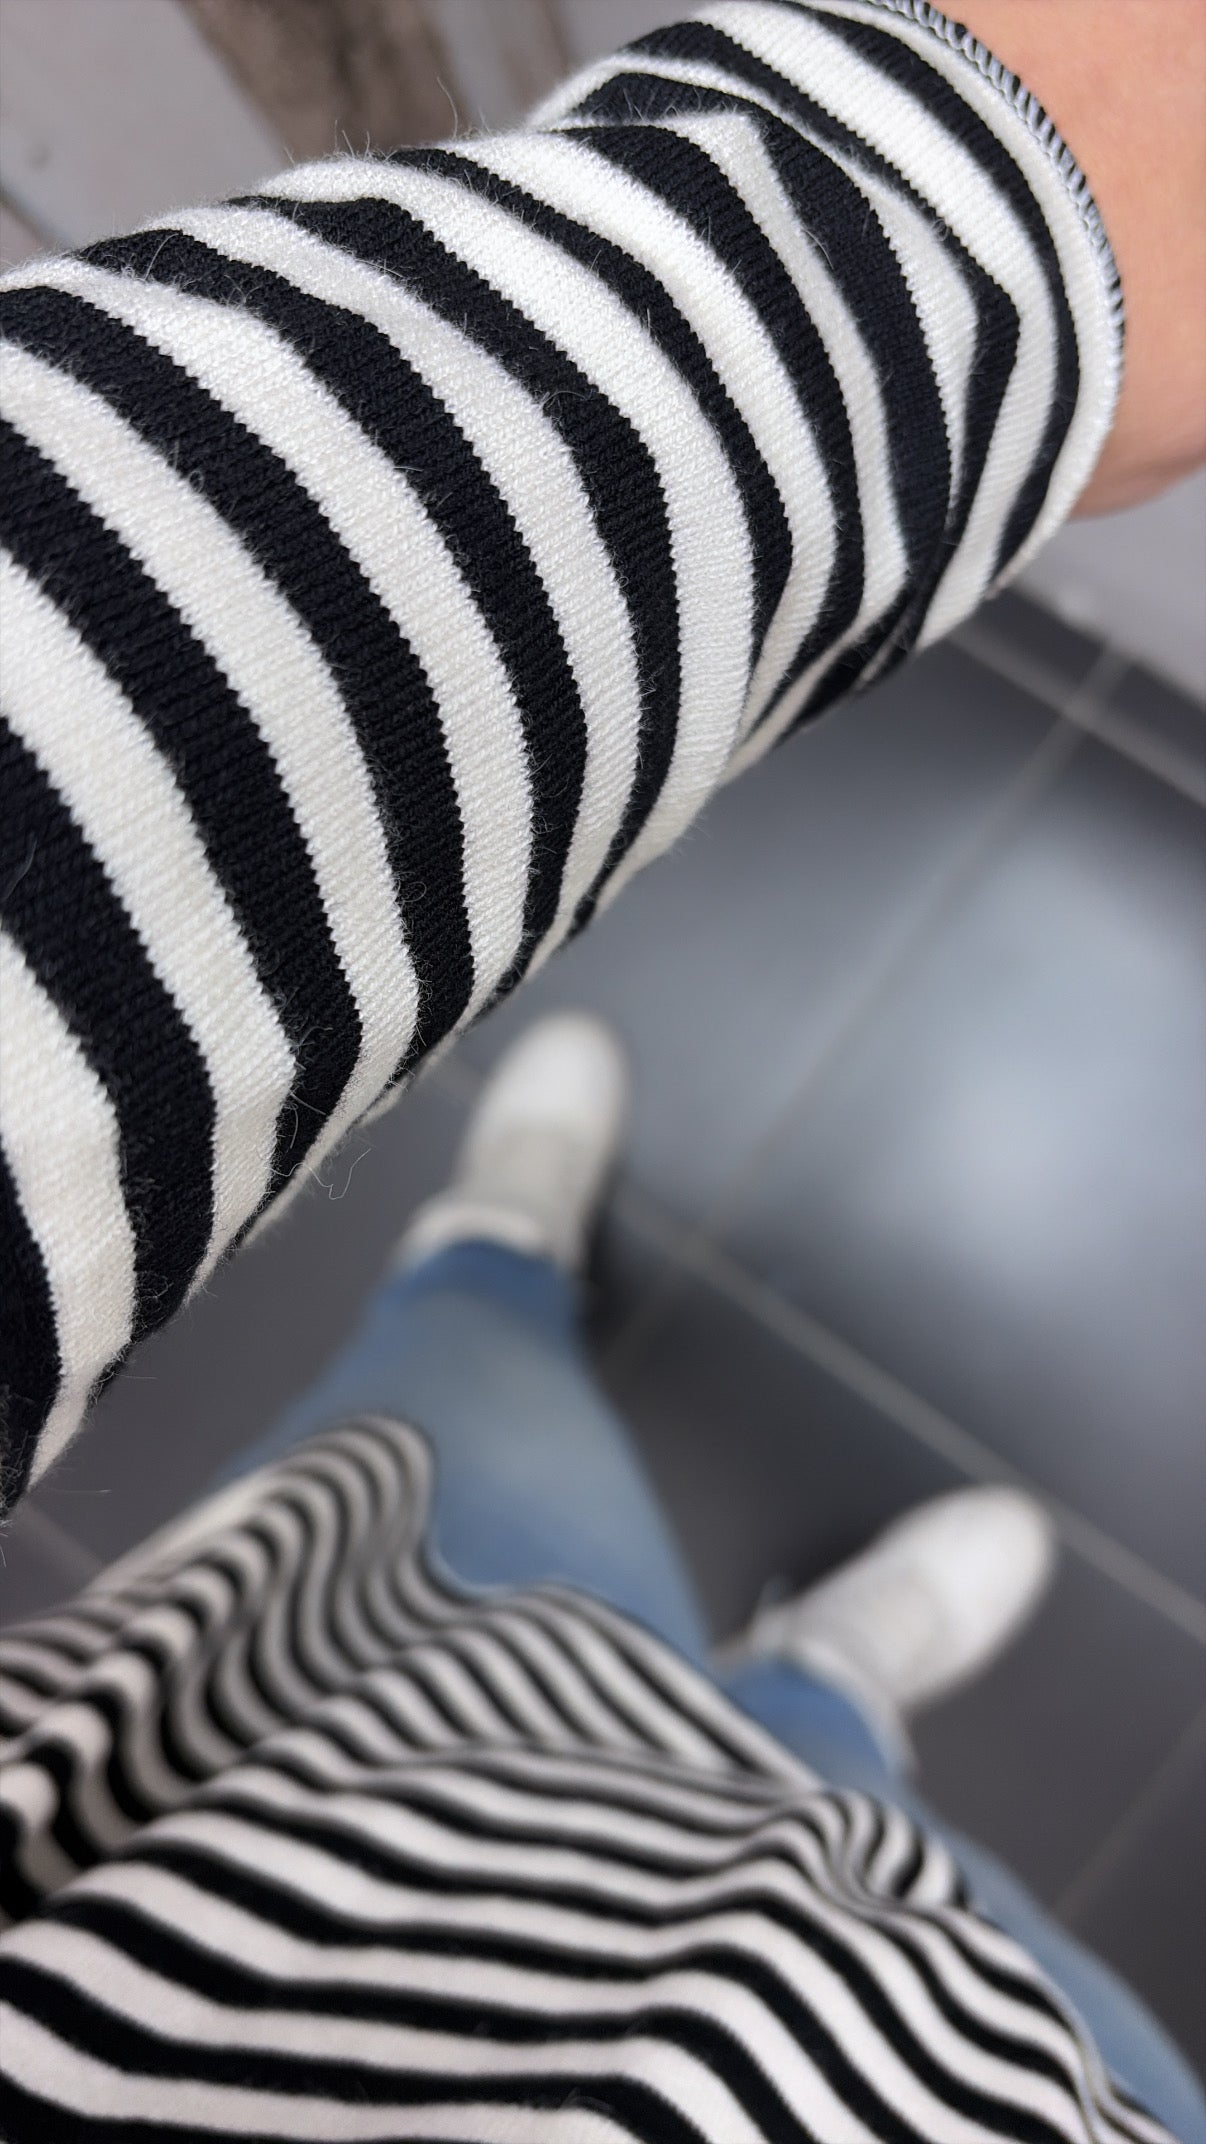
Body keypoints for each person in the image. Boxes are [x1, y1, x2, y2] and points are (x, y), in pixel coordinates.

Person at [2, 0, 1204, 2135]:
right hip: (971, 2050)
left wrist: (947, 240)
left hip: (289, 1723)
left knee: (455, 1420)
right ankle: (825, 1684)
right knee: (824, 1805)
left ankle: (496, 1265)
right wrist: (941, 244)